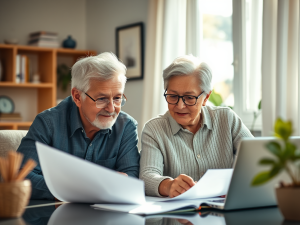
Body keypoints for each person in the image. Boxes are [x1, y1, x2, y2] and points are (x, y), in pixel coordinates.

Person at [17, 52, 140, 200]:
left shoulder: (126, 126)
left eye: (117, 98)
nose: (111, 109)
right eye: (101, 99)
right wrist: (77, 189)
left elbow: (131, 175)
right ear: (77, 97)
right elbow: (21, 175)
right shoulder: (48, 123)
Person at [139, 55, 253, 198]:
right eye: (173, 96)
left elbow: (256, 159)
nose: (180, 106)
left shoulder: (227, 119)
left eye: (189, 98)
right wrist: (169, 186)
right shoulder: (154, 129)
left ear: (205, 97)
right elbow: (147, 176)